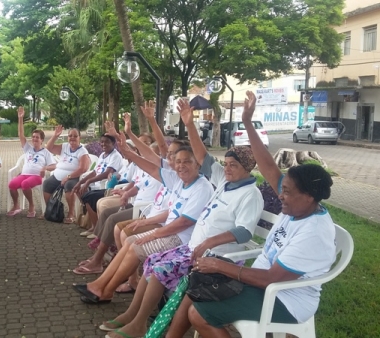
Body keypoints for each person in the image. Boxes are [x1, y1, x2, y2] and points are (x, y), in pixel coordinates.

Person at [98, 97, 264, 338]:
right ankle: (134, 317)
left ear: (247, 168)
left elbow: (245, 232)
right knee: (152, 261)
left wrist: (209, 242)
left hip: (217, 257)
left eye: (233, 166)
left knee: (161, 267)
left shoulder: (250, 194)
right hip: (194, 248)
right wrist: (189, 123)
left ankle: (139, 323)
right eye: (226, 164)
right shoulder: (224, 182)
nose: (226, 169)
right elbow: (203, 156)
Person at [176, 91, 336, 338]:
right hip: (260, 283)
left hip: (285, 300)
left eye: (287, 192)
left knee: (199, 313)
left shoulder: (314, 233)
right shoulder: (297, 206)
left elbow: (271, 279)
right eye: (281, 189)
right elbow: (267, 165)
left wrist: (220, 265)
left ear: (309, 197)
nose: (280, 195)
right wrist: (248, 122)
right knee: (199, 284)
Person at [74, 130, 214, 306]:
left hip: (181, 239)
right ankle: (99, 285)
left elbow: (183, 222)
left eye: (187, 161)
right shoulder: (178, 179)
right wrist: (129, 152)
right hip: (168, 231)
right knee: (131, 241)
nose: (180, 165)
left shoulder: (202, 187)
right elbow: (152, 167)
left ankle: (106, 291)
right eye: (178, 161)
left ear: (198, 164)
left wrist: (153, 233)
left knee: (135, 246)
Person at [8, 106, 57, 218]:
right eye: (33, 137)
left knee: (24, 184)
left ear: (41, 140)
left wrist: (45, 168)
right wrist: (20, 118)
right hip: (24, 174)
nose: (34, 139)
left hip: (37, 176)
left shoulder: (46, 152)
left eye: (37, 137)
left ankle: (31, 206)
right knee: (12, 184)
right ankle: (16, 206)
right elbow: (21, 135)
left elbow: (54, 166)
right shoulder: (28, 149)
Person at [71, 132, 124, 233]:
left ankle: (95, 228)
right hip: (97, 184)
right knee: (79, 189)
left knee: (88, 197)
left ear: (113, 143)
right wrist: (81, 182)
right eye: (102, 142)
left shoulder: (115, 156)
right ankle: (91, 222)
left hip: (106, 186)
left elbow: (107, 173)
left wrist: (89, 181)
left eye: (107, 142)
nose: (103, 144)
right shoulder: (102, 155)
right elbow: (95, 172)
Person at [43, 125, 90, 223]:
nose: (72, 138)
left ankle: (71, 214)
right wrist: (55, 136)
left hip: (73, 177)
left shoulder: (82, 151)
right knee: (47, 183)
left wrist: (68, 177)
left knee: (69, 186)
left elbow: (83, 168)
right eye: (70, 136)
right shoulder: (65, 146)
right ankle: (50, 210)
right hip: (57, 175)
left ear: (79, 138)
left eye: (75, 136)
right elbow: (48, 148)